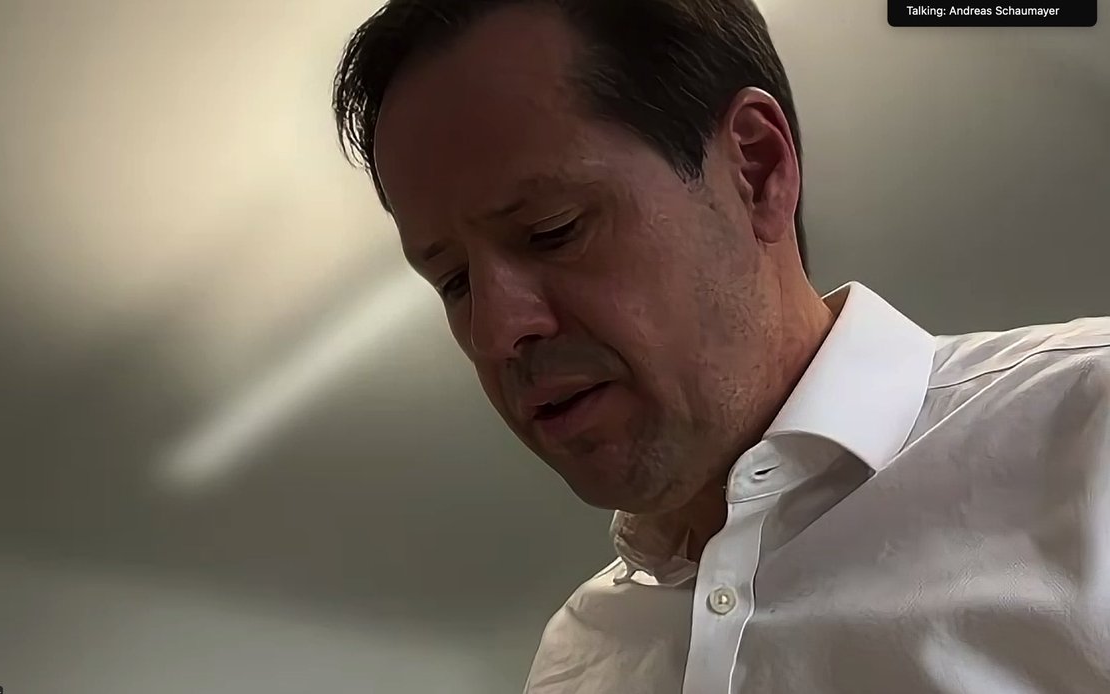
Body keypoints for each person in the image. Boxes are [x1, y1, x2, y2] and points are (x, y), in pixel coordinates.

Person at [331, 1, 1110, 692]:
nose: (497, 331)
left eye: (552, 231)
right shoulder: (578, 661)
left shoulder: (1090, 438)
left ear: (755, 168)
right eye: (454, 282)